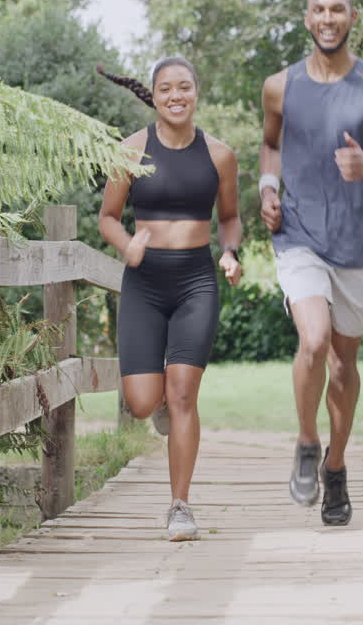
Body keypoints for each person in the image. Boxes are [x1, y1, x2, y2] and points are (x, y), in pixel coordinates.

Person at [258, 0, 363, 526]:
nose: (328, 18)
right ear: (306, 18)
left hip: (356, 243)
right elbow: (270, 145)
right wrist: (267, 190)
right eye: (318, 9)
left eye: (337, 9)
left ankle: (336, 469)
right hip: (298, 236)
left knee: (344, 367)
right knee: (314, 341)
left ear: (353, 17)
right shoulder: (280, 86)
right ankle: (305, 441)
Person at [97, 57, 243, 541]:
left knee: (184, 395)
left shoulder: (219, 155)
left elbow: (230, 217)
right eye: (166, 89)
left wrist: (231, 252)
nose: (176, 95)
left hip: (196, 281)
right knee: (142, 403)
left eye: (184, 87)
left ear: (196, 92)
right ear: (154, 96)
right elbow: (108, 218)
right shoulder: (131, 151)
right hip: (144, 280)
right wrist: (127, 245)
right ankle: (158, 403)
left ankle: (180, 506)